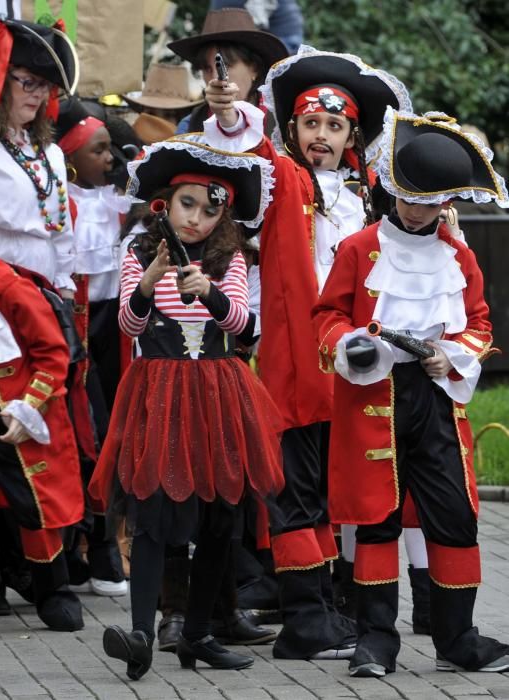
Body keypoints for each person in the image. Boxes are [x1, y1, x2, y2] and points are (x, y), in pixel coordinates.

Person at [204, 44, 412, 660]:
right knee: (295, 491)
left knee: (323, 488)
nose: (320, 134)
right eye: (310, 122)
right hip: (292, 361)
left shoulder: (364, 196)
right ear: (291, 128)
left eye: (334, 124)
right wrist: (230, 111)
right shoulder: (279, 179)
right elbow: (246, 146)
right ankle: (302, 620)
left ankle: (320, 613)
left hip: (348, 364)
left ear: (352, 135)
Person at [312, 108, 509, 677]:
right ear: (389, 190)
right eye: (407, 196)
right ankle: (376, 641)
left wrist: (454, 353)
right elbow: (324, 318)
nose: (416, 209)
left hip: (437, 398)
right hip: (375, 398)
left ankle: (458, 638)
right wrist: (352, 346)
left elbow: (479, 322)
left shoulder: (460, 256)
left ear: (446, 202)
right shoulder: (359, 249)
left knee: (454, 518)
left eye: (429, 201)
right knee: (376, 520)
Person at [88, 138, 284, 680]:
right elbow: (126, 330)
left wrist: (215, 296)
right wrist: (149, 284)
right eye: (187, 204)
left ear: (224, 214)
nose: (196, 217)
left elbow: (248, 328)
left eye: (210, 207)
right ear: (165, 205)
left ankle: (199, 632)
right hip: (158, 392)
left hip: (220, 394)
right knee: (152, 513)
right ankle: (140, 635)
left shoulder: (231, 258)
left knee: (222, 516)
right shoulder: (139, 254)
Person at [56, 96, 129, 597]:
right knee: (87, 432)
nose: (110, 159)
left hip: (117, 327)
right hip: (74, 324)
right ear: (71, 158)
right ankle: (84, 546)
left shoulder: (120, 201)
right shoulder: (61, 202)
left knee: (115, 434)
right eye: (99, 150)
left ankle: (105, 546)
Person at [0, 259, 84, 631]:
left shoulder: (12, 288)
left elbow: (53, 354)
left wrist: (29, 406)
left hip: (12, 412)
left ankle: (54, 591)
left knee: (34, 508)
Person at [0, 18, 77, 297]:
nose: (39, 95)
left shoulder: (51, 154)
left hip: (45, 291)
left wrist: (65, 293)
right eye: (29, 82)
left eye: (45, 85)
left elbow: (61, 232)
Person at [168, 7, 288, 134]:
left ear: (254, 68)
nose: (215, 77)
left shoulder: (282, 119)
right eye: (207, 69)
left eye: (226, 66)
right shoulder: (190, 126)